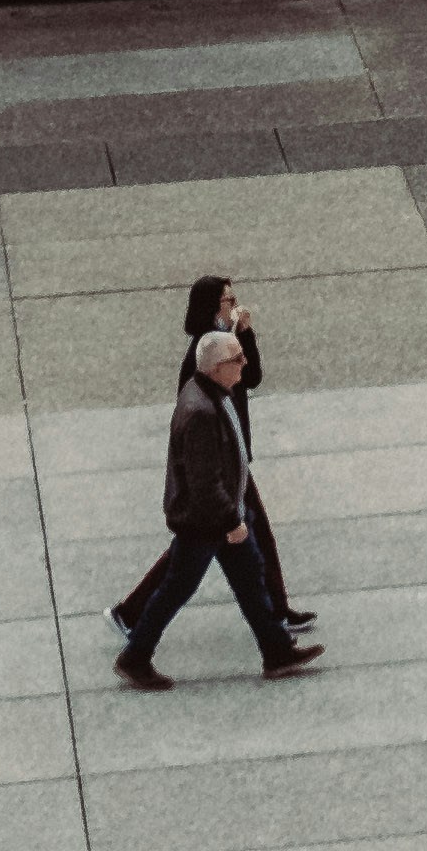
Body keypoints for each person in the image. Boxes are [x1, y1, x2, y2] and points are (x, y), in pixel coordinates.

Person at [112, 328, 319, 684]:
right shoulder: (200, 412)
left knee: (251, 583)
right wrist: (231, 521)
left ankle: (277, 652)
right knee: (175, 591)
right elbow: (204, 482)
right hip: (207, 524)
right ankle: (135, 657)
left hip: (223, 517)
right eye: (237, 358)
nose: (245, 363)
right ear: (215, 367)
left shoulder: (214, 394)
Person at [177, 270, 311, 631]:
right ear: (212, 307)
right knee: (222, 543)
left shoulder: (225, 342)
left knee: (203, 546)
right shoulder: (205, 352)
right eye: (229, 301)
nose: (235, 307)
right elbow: (194, 412)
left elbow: (251, 378)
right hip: (224, 465)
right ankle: (275, 615)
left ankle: (275, 613)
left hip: (231, 459)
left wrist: (246, 333)